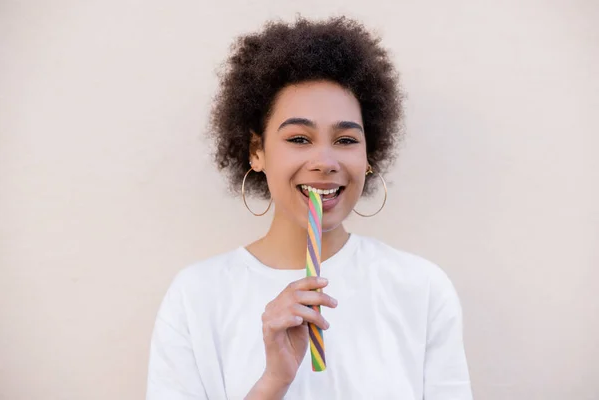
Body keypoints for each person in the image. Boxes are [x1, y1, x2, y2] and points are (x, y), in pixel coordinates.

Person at [146, 16, 473, 400]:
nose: (325, 161)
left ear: (370, 154)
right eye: (299, 138)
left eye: (346, 139)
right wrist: (274, 381)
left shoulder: (421, 288)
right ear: (257, 151)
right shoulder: (196, 296)